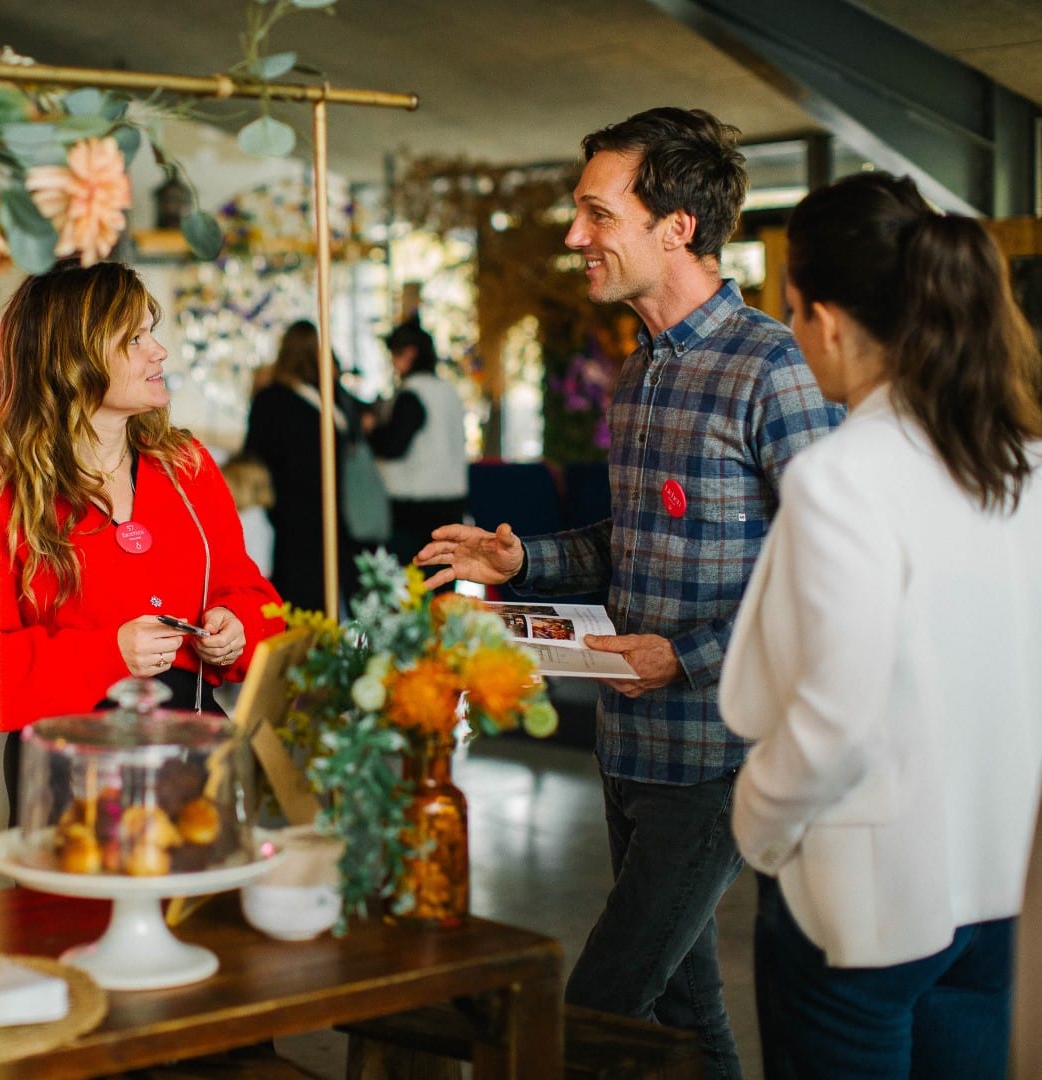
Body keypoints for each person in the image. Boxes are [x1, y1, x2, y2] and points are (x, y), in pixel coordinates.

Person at [414, 107, 841, 1077]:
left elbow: (829, 578)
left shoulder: (774, 368)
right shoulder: (640, 371)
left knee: (592, 1010)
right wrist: (521, 565)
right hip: (628, 745)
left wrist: (680, 655)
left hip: (718, 755)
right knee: (683, 1018)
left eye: (596, 214)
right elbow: (632, 543)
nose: (575, 237)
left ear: (675, 227)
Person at [719, 172, 1042, 1079]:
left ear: (825, 318)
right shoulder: (1024, 463)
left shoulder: (842, 476)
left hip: (858, 901)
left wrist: (759, 824)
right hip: (994, 879)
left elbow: (836, 721)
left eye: (791, 310)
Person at [0, 259, 284, 817]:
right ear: (77, 359)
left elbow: (258, 599)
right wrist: (108, 654)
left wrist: (237, 628)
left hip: (194, 761)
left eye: (153, 332)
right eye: (136, 338)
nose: (159, 351)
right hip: (70, 778)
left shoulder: (187, 468)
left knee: (201, 902)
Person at [242, 319, 368, 613]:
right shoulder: (327, 398)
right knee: (326, 585)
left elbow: (253, 451)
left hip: (288, 508)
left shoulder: (272, 398)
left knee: (296, 587)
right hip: (327, 505)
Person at [369, 313, 468, 571]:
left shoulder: (412, 393)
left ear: (410, 353)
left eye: (394, 354)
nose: (392, 362)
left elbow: (393, 447)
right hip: (452, 500)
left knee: (413, 590)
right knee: (444, 584)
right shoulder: (448, 391)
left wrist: (371, 430)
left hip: (414, 507)